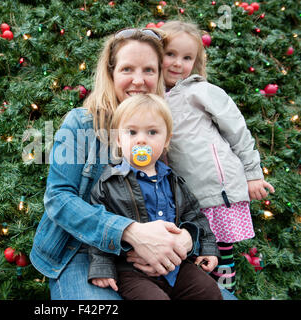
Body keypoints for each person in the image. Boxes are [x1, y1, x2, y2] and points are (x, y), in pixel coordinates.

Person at [30, 28, 196, 300]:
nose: (139, 80)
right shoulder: (81, 124)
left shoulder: (163, 129)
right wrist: (131, 232)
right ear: (111, 74)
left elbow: (186, 202)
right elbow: (58, 198)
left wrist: (186, 238)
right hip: (81, 251)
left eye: (149, 70)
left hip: (150, 257)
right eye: (127, 69)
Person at [159, 20, 275, 294]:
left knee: (221, 254)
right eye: (171, 54)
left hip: (216, 189)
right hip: (186, 195)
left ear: (196, 63)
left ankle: (227, 294)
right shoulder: (154, 98)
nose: (178, 63)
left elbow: (237, 130)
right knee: (196, 255)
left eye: (187, 58)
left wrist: (253, 173)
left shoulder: (201, 91)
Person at [87, 93, 223, 300]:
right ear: (118, 139)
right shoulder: (109, 183)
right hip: (132, 270)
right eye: (131, 132)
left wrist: (208, 247)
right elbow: (98, 226)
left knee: (208, 291)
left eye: (152, 132)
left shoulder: (174, 181)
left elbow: (194, 216)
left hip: (176, 268)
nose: (141, 139)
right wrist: (102, 266)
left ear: (166, 139)